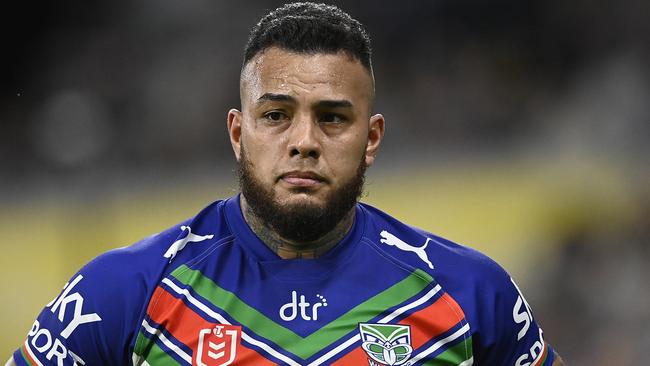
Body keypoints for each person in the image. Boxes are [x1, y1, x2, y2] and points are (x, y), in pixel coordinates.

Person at [8, 3, 565, 365]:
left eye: (332, 117)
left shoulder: (471, 294)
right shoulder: (124, 292)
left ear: (371, 137)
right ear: (237, 131)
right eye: (276, 116)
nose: (304, 141)